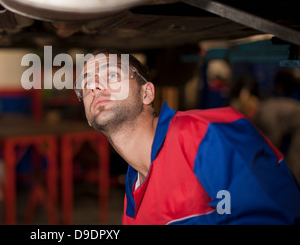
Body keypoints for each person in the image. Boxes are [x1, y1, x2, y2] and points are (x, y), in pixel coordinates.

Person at [73, 48, 300, 225]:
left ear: (147, 93)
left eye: (111, 74)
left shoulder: (203, 134)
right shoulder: (132, 206)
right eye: (85, 83)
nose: (94, 86)